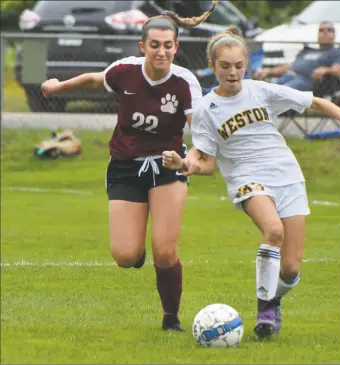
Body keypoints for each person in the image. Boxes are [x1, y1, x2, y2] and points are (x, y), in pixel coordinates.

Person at [162, 27, 340, 339]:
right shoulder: (205, 110)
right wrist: (184, 164)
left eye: (239, 65)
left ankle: (274, 299)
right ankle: (264, 309)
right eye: (225, 66)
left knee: (291, 268)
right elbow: (206, 162)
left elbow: (315, 102)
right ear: (213, 67)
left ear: (246, 65)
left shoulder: (261, 90)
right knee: (274, 231)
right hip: (246, 178)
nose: (233, 72)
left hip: (288, 175)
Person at [40, 2, 219, 332]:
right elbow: (96, 79)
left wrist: (185, 161)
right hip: (124, 166)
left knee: (165, 252)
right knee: (125, 256)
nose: (161, 52)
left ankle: (171, 319)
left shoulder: (185, 83)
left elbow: (202, 140)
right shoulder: (125, 70)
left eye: (168, 45)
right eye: (154, 45)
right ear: (143, 47)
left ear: (176, 47)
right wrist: (57, 87)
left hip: (168, 168)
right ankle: (134, 253)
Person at [254, 21, 340, 92]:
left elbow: (338, 70)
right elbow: (291, 66)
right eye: (321, 30)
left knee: (281, 92)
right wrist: (269, 72)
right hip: (289, 76)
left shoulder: (336, 52)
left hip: (308, 82)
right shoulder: (308, 51)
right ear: (317, 34)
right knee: (267, 90)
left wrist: (326, 69)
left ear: (334, 35)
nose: (325, 32)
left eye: (329, 30)